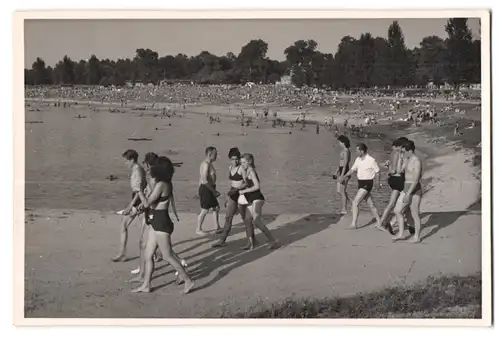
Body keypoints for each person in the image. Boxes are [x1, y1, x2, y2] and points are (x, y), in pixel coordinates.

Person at [132, 158, 195, 294]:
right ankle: (146, 285)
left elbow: (148, 203)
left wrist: (139, 192)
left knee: (167, 255)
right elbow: (152, 203)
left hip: (161, 222)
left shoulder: (162, 184)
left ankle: (188, 280)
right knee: (148, 254)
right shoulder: (164, 183)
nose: (151, 169)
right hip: (157, 221)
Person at [112, 149, 147, 262]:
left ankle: (122, 253)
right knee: (146, 229)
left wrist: (130, 206)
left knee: (124, 225)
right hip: (140, 200)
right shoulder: (139, 168)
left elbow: (138, 190)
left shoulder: (137, 171)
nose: (125, 163)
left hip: (137, 201)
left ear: (132, 160)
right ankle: (156, 254)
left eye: (126, 161)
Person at [238, 153, 279, 250]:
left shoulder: (251, 171)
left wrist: (244, 191)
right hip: (250, 199)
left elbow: (257, 186)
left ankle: (272, 241)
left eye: (244, 162)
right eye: (241, 163)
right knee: (247, 220)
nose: (242, 164)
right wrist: (239, 188)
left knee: (257, 220)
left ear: (250, 161)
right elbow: (248, 184)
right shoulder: (247, 171)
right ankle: (251, 243)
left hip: (257, 198)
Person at [339, 143, 382, 229]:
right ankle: (379, 222)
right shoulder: (358, 159)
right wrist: (344, 176)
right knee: (371, 204)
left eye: (357, 150)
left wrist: (377, 183)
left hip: (368, 183)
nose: (356, 152)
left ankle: (354, 224)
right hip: (361, 183)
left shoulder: (371, 160)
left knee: (355, 202)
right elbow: (352, 169)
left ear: (362, 151)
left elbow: (378, 172)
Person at [212, 148, 248, 247]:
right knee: (228, 217)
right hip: (232, 194)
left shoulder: (241, 168)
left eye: (236, 159)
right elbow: (231, 183)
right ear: (230, 159)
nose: (235, 161)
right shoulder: (230, 168)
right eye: (232, 159)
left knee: (245, 218)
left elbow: (246, 183)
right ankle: (222, 240)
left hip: (241, 194)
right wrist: (227, 198)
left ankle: (251, 239)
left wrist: (237, 189)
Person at [392, 140, 423, 243]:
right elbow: (399, 171)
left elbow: (416, 180)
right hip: (406, 187)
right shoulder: (407, 159)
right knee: (397, 210)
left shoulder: (416, 161)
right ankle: (400, 234)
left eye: (404, 152)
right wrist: (400, 160)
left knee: (415, 214)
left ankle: (417, 237)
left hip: (414, 190)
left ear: (410, 151)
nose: (403, 153)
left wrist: (408, 194)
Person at [378, 137, 408, 232]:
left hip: (393, 180)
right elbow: (395, 170)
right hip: (399, 179)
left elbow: (390, 167)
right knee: (406, 203)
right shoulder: (400, 154)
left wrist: (388, 174)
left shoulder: (392, 154)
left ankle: (380, 223)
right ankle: (394, 222)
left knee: (391, 203)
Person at [196, 146, 221, 235]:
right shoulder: (206, 164)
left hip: (210, 188)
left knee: (216, 208)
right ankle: (198, 229)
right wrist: (213, 191)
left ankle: (217, 227)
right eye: (215, 154)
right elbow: (204, 180)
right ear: (210, 154)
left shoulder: (209, 164)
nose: (216, 156)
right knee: (204, 210)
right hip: (206, 189)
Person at [335, 135, 351, 215]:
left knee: (342, 191)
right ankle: (352, 203)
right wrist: (336, 171)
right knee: (339, 190)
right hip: (341, 170)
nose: (339, 144)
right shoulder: (343, 151)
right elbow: (340, 163)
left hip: (345, 171)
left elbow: (345, 164)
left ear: (343, 142)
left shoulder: (346, 151)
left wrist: (342, 175)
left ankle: (344, 209)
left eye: (339, 142)